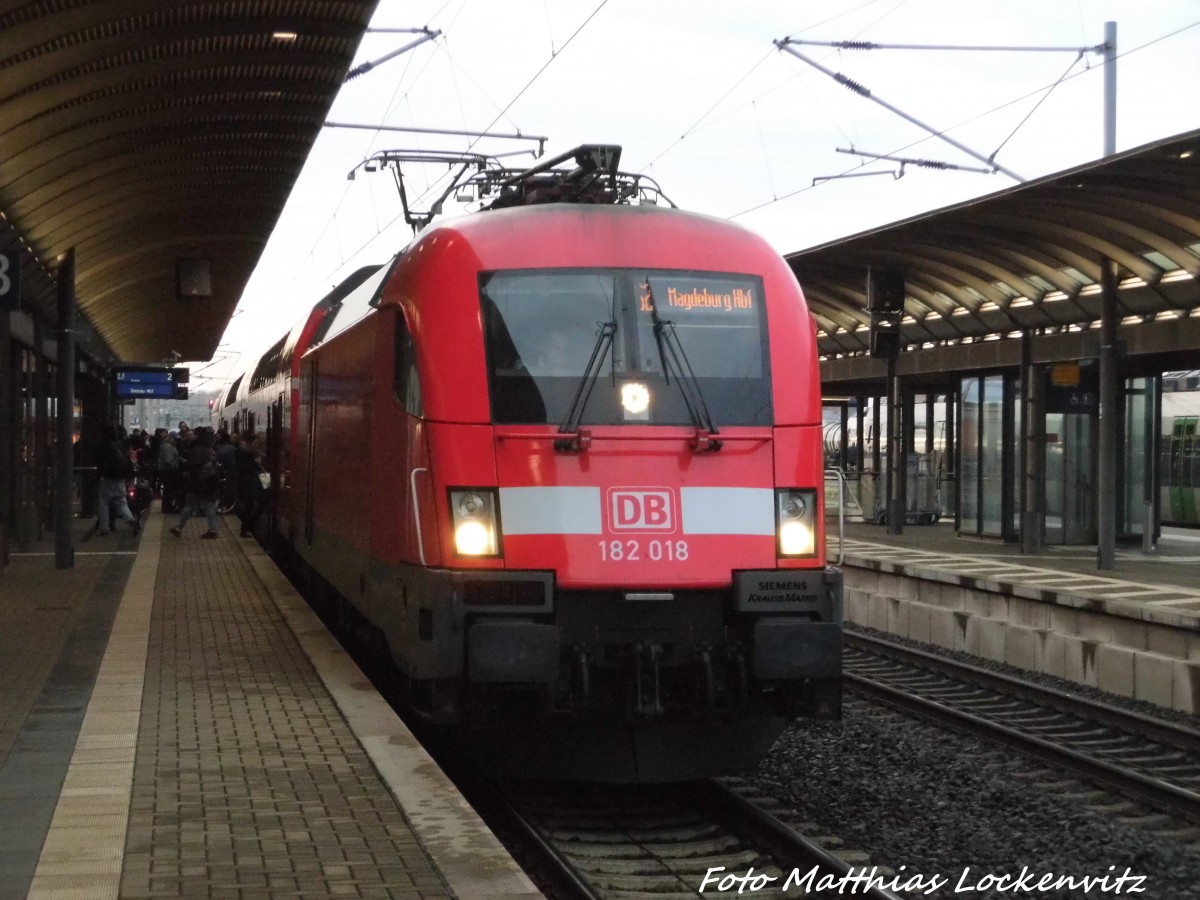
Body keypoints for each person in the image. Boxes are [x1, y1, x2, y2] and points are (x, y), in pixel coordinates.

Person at [169, 427, 220, 539]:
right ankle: (213, 529)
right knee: (209, 505)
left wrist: (186, 465)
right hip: (210, 480)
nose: (191, 436)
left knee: (190, 504)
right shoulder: (209, 447)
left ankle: (179, 528)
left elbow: (194, 465)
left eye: (194, 434)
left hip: (197, 481)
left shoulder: (196, 448)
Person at [95, 424, 139, 536]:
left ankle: (104, 528)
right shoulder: (121, 444)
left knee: (104, 503)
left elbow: (99, 461)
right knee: (122, 502)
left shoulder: (103, 445)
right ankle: (130, 519)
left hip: (108, 479)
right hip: (120, 478)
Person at [234, 432, 267, 538]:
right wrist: (255, 462)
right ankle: (246, 529)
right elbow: (242, 467)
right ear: (249, 443)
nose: (256, 445)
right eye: (255, 443)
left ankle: (247, 528)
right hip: (248, 484)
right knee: (252, 506)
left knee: (251, 506)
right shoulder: (242, 453)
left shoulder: (250, 453)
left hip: (249, 483)